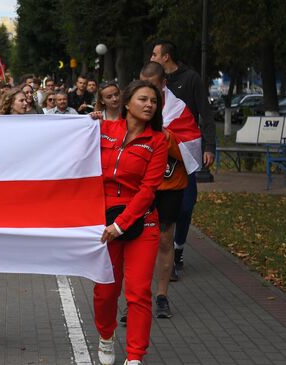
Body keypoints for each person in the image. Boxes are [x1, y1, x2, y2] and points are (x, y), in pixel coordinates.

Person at [94, 80, 167, 365]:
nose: (150, 105)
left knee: (138, 292)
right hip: (102, 222)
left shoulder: (159, 141)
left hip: (142, 224)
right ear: (126, 103)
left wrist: (121, 225)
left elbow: (149, 190)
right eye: (143, 99)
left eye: (154, 101)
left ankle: (135, 357)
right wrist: (82, 124)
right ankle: (106, 335)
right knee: (105, 291)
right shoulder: (103, 130)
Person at [150, 40, 216, 279]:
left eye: (155, 54)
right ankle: (162, 253)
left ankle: (177, 249)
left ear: (166, 57)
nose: (151, 56)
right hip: (157, 159)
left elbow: (205, 115)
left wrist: (209, 147)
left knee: (186, 206)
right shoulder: (147, 83)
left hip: (184, 149)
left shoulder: (191, 79)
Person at [140, 61, 189, 319]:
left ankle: (161, 296)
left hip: (169, 185)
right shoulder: (135, 106)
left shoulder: (179, 110)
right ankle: (137, 298)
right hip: (140, 185)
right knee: (138, 241)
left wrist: (166, 137)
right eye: (143, 86)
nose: (148, 94)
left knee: (164, 240)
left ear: (163, 84)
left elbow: (190, 147)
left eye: (153, 87)